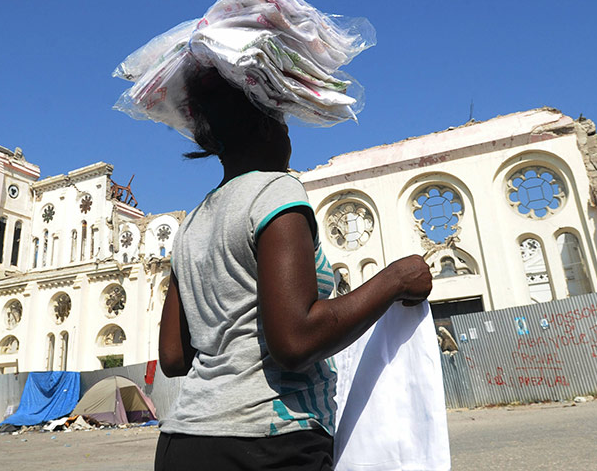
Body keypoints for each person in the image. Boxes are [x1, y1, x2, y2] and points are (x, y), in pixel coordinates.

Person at [154, 67, 432, 470]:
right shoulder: (275, 191)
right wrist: (395, 280)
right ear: (267, 127)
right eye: (284, 124)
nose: (289, 137)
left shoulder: (191, 224)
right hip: (269, 444)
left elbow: (174, 357)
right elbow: (295, 342)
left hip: (183, 443)